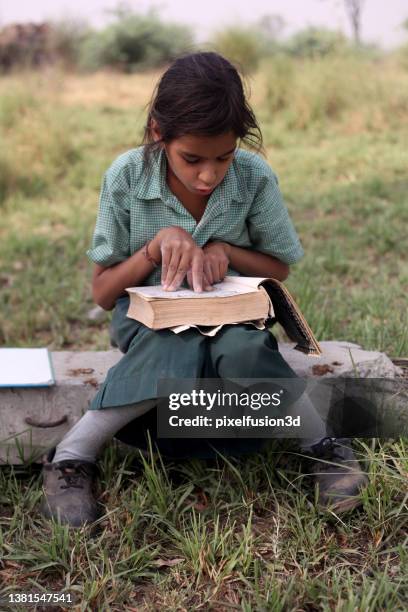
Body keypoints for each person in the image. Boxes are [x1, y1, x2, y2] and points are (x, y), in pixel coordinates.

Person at [39, 52, 368, 527]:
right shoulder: (127, 177)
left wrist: (225, 250)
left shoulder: (254, 177)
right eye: (191, 159)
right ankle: (72, 457)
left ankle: (324, 448)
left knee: (243, 350)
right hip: (149, 328)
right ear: (158, 133)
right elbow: (103, 293)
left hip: (232, 317)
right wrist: (152, 249)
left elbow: (279, 266)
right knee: (176, 347)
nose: (209, 175)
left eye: (224, 157)